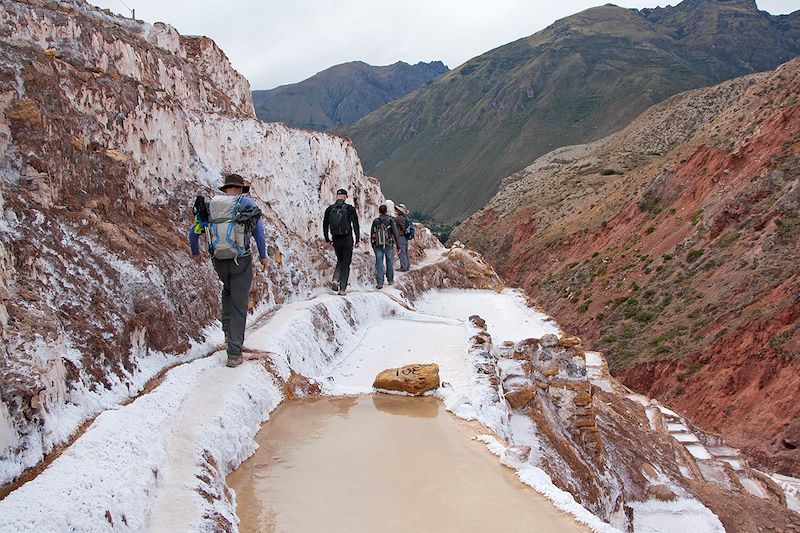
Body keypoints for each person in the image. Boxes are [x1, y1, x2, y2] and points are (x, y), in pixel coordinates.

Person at [188, 174, 268, 368]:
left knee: (228, 291)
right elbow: (258, 231)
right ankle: (234, 353)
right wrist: (263, 255)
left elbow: (193, 231)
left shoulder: (214, 206)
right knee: (240, 303)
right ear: (240, 189)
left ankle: (227, 334)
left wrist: (196, 252)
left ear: (225, 190)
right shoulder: (245, 204)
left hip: (219, 261)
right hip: (241, 259)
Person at [323, 188, 360, 296]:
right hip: (347, 239)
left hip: (335, 238)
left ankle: (335, 279)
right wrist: (357, 239)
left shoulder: (330, 209)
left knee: (340, 260)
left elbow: (325, 224)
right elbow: (355, 224)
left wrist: (327, 239)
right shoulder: (349, 209)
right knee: (346, 263)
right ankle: (342, 288)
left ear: (337, 196)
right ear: (344, 197)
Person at [370, 204, 401, 289]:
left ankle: (380, 282)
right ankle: (390, 279)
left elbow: (372, 233)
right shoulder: (390, 220)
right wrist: (398, 245)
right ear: (386, 211)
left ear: (379, 211)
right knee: (389, 262)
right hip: (388, 244)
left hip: (378, 245)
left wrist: (373, 245)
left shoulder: (376, 221)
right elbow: (395, 233)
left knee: (379, 263)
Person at [394, 203, 412, 272]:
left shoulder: (399, 219)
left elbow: (391, 220)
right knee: (405, 252)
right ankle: (407, 266)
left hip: (401, 237)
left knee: (402, 252)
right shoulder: (405, 218)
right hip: (405, 237)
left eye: (397, 210)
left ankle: (403, 267)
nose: (396, 211)